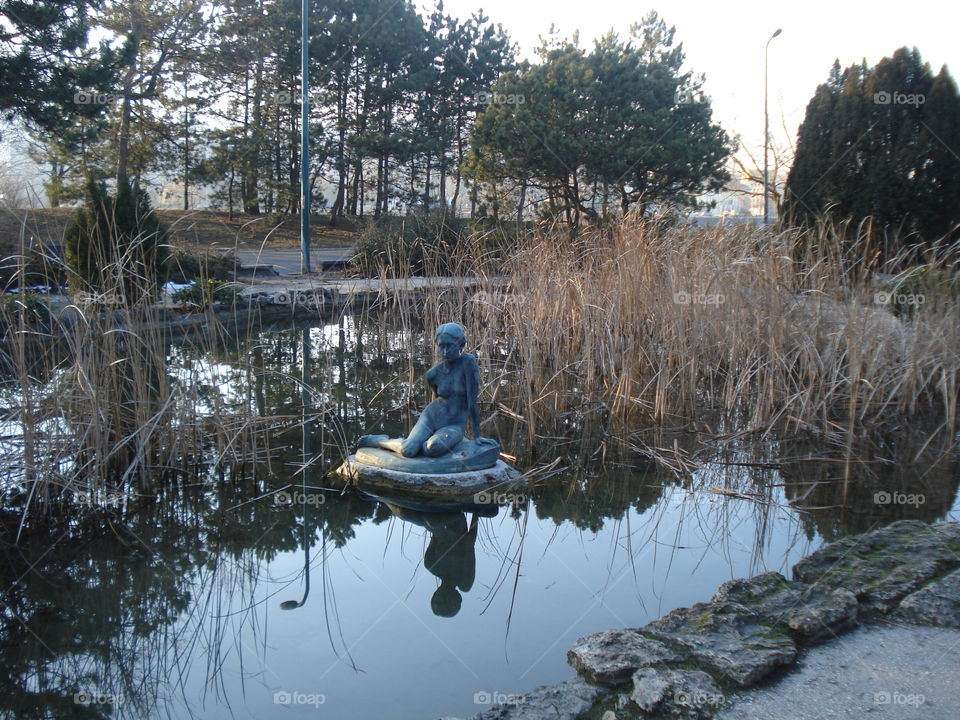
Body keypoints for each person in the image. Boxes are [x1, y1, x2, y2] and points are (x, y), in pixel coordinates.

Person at [358, 322, 494, 458]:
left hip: (454, 425)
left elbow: (472, 403)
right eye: (441, 346)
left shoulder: (468, 363)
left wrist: (477, 436)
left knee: (431, 448)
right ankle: (381, 441)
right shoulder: (433, 374)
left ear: (461, 345)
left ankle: (426, 442)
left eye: (450, 346)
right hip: (430, 417)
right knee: (408, 450)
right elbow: (436, 399)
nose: (445, 351)